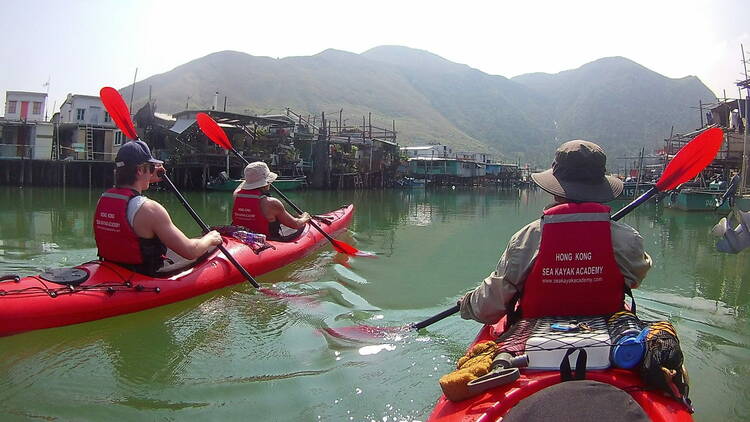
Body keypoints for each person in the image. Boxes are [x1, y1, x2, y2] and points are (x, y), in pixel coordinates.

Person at [459, 140, 652, 324]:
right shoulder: (628, 239)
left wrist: (467, 304)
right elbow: (636, 275)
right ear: (600, 187)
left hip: (535, 335)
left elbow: (489, 306)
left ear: (555, 188)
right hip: (609, 329)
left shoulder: (527, 239)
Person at [93, 140, 222, 275]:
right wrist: (210, 238)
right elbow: (190, 251)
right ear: (139, 170)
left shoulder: (103, 199)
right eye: (150, 168)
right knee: (202, 246)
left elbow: (134, 187)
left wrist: (150, 172)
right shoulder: (150, 209)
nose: (152, 172)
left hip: (112, 267)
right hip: (143, 275)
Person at [232, 161, 311, 241]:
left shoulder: (236, 195)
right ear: (267, 182)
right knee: (303, 226)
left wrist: (251, 178)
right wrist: (305, 218)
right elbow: (295, 224)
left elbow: (243, 186)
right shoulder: (271, 203)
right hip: (267, 241)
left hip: (241, 237)